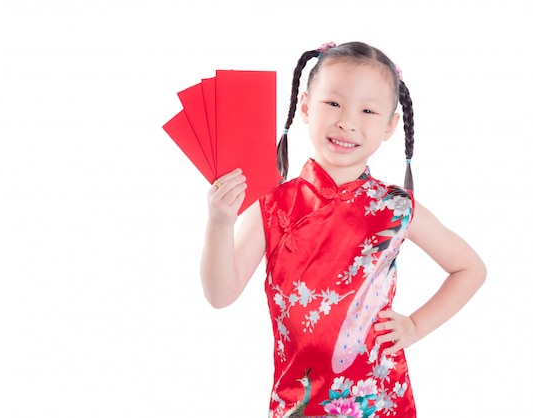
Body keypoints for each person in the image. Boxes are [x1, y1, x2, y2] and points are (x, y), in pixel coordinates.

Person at [199, 41, 486, 417]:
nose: (347, 121)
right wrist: (221, 222)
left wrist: (415, 325)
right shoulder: (273, 204)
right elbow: (221, 294)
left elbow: (470, 268)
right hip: (298, 401)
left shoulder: (396, 208)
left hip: (381, 397)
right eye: (333, 103)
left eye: (368, 110)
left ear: (389, 126)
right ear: (304, 105)